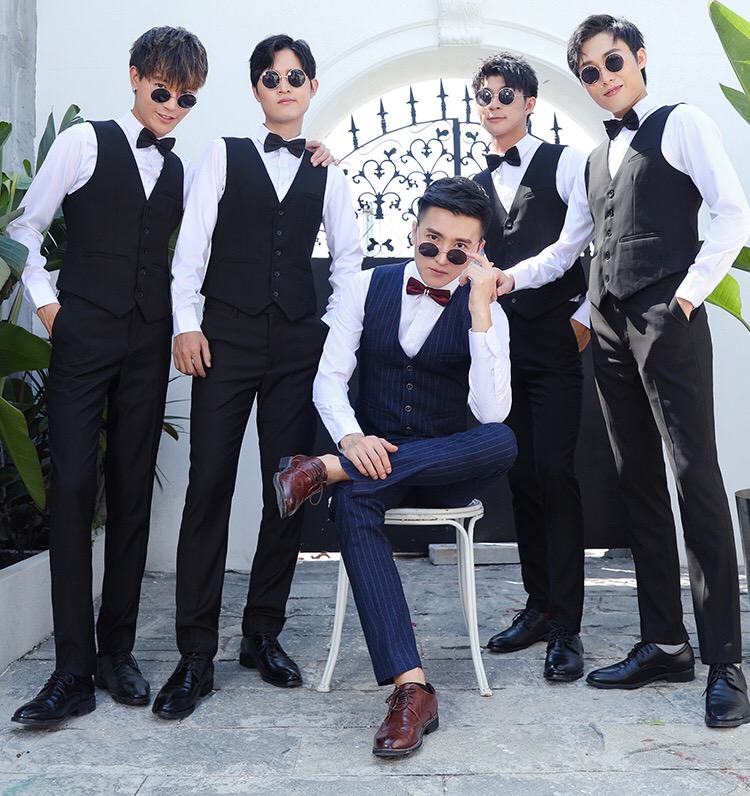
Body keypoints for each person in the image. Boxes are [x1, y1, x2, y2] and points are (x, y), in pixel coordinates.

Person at [496, 14, 750, 728]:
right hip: (609, 326)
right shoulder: (595, 157)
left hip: (667, 319)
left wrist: (687, 297)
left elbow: (734, 213)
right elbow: (569, 248)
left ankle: (725, 660)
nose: (603, 78)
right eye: (589, 72)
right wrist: (508, 278)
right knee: (636, 480)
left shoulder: (682, 122)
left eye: (612, 62)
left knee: (694, 477)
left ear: (639, 57)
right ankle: (664, 642)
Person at [152, 34, 361, 720]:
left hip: (297, 343)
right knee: (208, 486)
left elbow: (350, 261)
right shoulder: (224, 153)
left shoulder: (329, 171)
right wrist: (186, 323)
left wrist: (328, 335)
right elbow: (192, 246)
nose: (284, 86)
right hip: (225, 338)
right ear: (256, 90)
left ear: (311, 86)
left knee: (288, 487)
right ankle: (194, 654)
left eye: (295, 76)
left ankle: (262, 634)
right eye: (272, 78)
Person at [273, 176, 517, 757]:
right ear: (413, 230)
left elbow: (491, 412)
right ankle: (412, 689)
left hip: (441, 468)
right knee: (355, 503)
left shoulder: (486, 312)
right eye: (432, 241)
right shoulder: (366, 287)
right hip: (372, 459)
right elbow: (329, 379)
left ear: (477, 253)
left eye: (459, 250)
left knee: (503, 440)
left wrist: (479, 310)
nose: (440, 257)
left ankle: (325, 469)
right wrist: (352, 437)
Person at [8, 26, 209, 727]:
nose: (172, 106)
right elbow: (26, 227)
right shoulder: (84, 143)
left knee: (130, 490)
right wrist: (49, 308)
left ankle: (114, 652)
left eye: (185, 98)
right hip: (83, 334)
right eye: (162, 91)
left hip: (148, 343)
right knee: (70, 487)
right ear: (134, 77)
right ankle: (71, 669)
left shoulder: (184, 171)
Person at [471, 52, 589, 682]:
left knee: (555, 473)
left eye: (505, 94)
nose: (494, 103)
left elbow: (580, 244)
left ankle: (567, 626)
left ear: (529, 103)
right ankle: (539, 607)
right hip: (501, 347)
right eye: (484, 95)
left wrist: (584, 317)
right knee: (519, 477)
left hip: (552, 341)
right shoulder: (474, 184)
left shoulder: (566, 163)